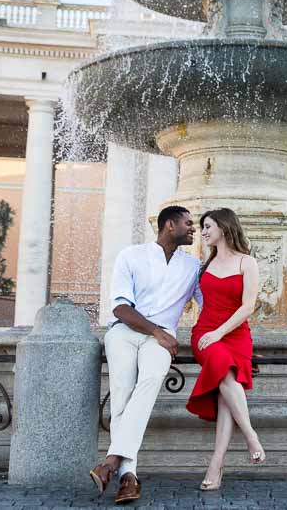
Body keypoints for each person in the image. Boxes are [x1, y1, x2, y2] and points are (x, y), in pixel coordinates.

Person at [89, 206, 202, 504]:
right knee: (123, 395)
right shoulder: (131, 255)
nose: (193, 228)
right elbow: (120, 308)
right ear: (169, 225)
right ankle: (129, 477)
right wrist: (156, 331)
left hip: (160, 342)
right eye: (187, 223)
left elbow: (213, 303)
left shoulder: (193, 267)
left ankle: (111, 462)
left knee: (150, 379)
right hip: (126, 332)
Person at [187, 208, 265, 492]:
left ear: (223, 226)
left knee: (225, 392)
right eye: (202, 227)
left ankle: (216, 465)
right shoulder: (203, 265)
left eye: (207, 226)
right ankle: (250, 435)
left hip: (234, 335)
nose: (203, 231)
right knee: (224, 370)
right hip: (204, 334)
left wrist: (220, 332)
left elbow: (248, 306)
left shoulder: (247, 262)